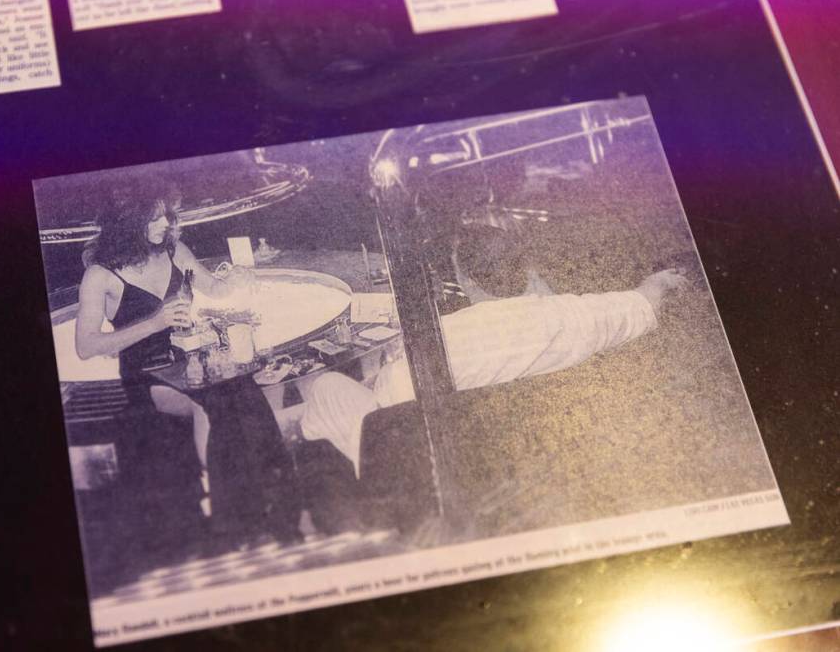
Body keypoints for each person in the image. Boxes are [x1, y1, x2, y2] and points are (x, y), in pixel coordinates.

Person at [299, 235, 689, 476]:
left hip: (428, 456)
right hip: (522, 445)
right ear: (525, 270)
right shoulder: (576, 315)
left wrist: (379, 372)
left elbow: (391, 415)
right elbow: (644, 303)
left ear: (464, 277)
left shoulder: (437, 343)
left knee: (327, 386)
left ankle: (307, 445)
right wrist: (658, 281)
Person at [75, 191, 300, 549]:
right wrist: (155, 321)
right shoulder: (100, 276)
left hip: (189, 359)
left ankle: (280, 508)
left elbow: (214, 287)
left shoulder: (172, 250)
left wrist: (239, 277)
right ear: (127, 221)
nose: (165, 225)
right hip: (146, 375)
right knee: (208, 405)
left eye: (167, 216)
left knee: (247, 394)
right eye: (154, 218)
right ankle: (231, 520)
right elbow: (85, 347)